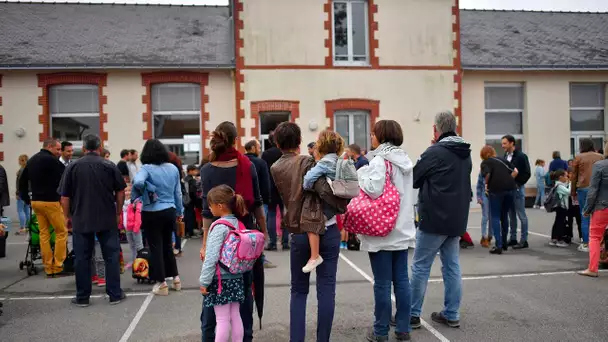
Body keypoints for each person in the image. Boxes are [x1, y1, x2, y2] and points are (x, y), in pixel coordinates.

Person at [270, 121, 347, 342]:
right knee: (326, 289)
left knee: (298, 291)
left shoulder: (275, 168)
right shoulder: (307, 161)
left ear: (277, 143)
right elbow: (323, 190)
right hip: (327, 228)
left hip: (299, 230)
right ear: (300, 141)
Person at [199, 121, 268, 342]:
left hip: (218, 240)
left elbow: (206, 213)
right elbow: (257, 204)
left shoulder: (207, 170)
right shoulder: (247, 165)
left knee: (213, 296)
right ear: (235, 140)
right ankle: (245, 337)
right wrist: (263, 234)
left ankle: (209, 337)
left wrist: (204, 244)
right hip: (243, 239)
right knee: (244, 294)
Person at [411, 111, 471, 329]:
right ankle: (452, 313)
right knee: (452, 266)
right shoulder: (465, 151)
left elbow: (415, 178)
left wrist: (431, 150)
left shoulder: (434, 151)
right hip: (456, 219)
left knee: (420, 266)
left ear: (436, 130)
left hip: (434, 218)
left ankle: (412, 314)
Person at [356, 120, 415, 342]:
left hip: (382, 230)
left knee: (382, 282)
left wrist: (362, 172)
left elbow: (373, 189)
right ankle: (403, 329)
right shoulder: (405, 161)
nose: (371, 137)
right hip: (402, 229)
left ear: (381, 136)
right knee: (401, 280)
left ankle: (381, 331)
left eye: (373, 134)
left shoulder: (380, 160)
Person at [58, 134, 127, 306]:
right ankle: (115, 294)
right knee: (110, 256)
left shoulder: (72, 167)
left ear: (83, 148)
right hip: (106, 216)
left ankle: (82, 297)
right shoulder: (109, 165)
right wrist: (118, 211)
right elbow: (120, 191)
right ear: (100, 147)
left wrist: (67, 217)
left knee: (82, 257)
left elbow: (65, 196)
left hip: (81, 217)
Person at [131, 139, 183, 296]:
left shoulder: (146, 168)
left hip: (151, 211)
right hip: (170, 210)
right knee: (168, 246)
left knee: (156, 247)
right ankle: (176, 278)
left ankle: (161, 283)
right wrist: (180, 211)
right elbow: (178, 193)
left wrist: (148, 189)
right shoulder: (173, 168)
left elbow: (138, 182)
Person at [199, 185, 247, 342]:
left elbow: (211, 257)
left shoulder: (219, 226)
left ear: (219, 206)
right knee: (235, 315)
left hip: (220, 279)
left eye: (210, 206)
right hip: (237, 276)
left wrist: (204, 281)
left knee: (221, 319)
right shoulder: (237, 223)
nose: (209, 209)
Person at [19, 138, 68, 277]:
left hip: (36, 202)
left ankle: (47, 266)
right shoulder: (53, 161)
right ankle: (58, 266)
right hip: (51, 201)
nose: (59, 152)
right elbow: (66, 176)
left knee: (44, 234)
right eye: (58, 149)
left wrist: (26, 198)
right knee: (61, 232)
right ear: (50, 147)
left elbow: (22, 181)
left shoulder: (32, 160)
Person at [302, 130, 345, 273]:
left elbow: (308, 179)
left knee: (312, 223)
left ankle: (315, 256)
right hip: (338, 201)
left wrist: (307, 187)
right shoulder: (340, 161)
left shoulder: (325, 163)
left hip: (326, 202)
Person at [480, 145, 518, 254]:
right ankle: (505, 243)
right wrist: (508, 180)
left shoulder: (486, 162)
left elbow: (487, 174)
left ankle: (498, 245)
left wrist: (487, 184)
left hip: (496, 190)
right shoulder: (503, 159)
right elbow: (515, 171)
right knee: (504, 215)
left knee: (495, 216)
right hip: (510, 189)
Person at [244, 139, 275, 268]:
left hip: (244, 201)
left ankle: (246, 256)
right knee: (261, 230)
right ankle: (260, 258)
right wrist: (267, 199)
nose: (260, 149)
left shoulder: (241, 161)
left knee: (246, 230)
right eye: (258, 147)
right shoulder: (261, 163)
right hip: (260, 201)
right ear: (252, 148)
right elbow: (265, 183)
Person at [571, 138, 604, 253]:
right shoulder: (600, 156)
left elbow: (574, 176)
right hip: (599, 188)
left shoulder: (578, 157)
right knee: (598, 216)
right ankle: (599, 242)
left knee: (584, 215)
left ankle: (586, 243)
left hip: (583, 188)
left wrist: (573, 192)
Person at [579, 148, 608, 277]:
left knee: (595, 236)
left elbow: (593, 190)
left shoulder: (600, 166)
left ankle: (592, 268)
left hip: (602, 206)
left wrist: (587, 209)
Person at [502, 135, 531, 250]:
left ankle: (524, 240)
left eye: (505, 143)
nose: (502, 145)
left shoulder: (521, 156)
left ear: (512, 143)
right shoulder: (506, 156)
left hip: (517, 189)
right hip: (508, 189)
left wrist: (518, 184)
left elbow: (527, 173)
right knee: (511, 215)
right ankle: (513, 238)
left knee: (521, 214)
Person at [261, 131, 287, 251]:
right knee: (285, 214)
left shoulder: (265, 154)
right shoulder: (284, 153)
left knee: (271, 214)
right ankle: (286, 242)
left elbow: (264, 172)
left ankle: (272, 242)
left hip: (270, 187)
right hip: (284, 187)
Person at [122, 184, 143, 269]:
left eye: (129, 190)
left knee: (139, 246)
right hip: (127, 228)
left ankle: (141, 262)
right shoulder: (123, 203)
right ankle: (134, 261)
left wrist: (136, 227)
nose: (127, 193)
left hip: (135, 228)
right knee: (132, 246)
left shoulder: (136, 201)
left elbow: (138, 215)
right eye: (125, 191)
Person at [549, 170, 571, 248]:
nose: (567, 177)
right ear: (561, 177)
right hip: (562, 207)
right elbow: (569, 192)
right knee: (561, 223)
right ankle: (560, 240)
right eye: (566, 176)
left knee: (557, 222)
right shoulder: (560, 186)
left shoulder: (558, 185)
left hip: (559, 207)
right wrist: (571, 183)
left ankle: (554, 238)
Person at [184, 164, 201, 238]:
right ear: (190, 171)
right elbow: (193, 192)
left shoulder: (184, 179)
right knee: (191, 216)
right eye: (195, 170)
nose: (196, 171)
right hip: (190, 201)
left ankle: (186, 232)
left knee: (186, 216)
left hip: (185, 200)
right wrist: (197, 202)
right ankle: (190, 233)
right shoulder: (192, 180)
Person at [476, 168, 492, 247]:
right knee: (485, 217)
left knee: (492, 217)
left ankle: (490, 236)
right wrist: (479, 197)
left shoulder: (494, 170)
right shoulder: (482, 171)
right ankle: (484, 237)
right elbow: (479, 185)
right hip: (484, 195)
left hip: (493, 196)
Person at [15, 154, 31, 235]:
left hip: (21, 193)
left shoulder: (21, 171)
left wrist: (17, 193)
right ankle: (28, 227)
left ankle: (22, 227)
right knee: (27, 211)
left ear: (22, 161)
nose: (18, 162)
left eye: (19, 160)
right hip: (28, 193)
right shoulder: (29, 170)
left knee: (20, 210)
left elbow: (19, 184)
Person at [567, 167, 582, 244]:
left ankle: (581, 236)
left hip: (577, 203)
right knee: (569, 221)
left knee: (579, 220)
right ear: (568, 174)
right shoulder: (567, 183)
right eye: (571, 173)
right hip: (570, 203)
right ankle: (570, 235)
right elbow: (568, 192)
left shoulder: (578, 182)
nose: (573, 175)